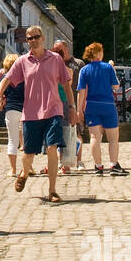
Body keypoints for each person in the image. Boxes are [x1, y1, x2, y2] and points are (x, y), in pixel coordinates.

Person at [0, 26, 74, 202]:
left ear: (43, 38)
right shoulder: (23, 61)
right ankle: (24, 173)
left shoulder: (55, 59)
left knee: (52, 148)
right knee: (28, 153)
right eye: (29, 38)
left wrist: (72, 106)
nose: (33, 40)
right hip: (31, 113)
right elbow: (7, 78)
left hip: (54, 110)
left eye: (36, 37)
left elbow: (67, 84)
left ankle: (52, 190)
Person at [76, 42, 129, 175]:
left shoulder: (85, 70)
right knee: (112, 138)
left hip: (92, 106)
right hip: (107, 105)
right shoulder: (108, 67)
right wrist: (113, 68)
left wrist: (79, 110)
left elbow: (81, 91)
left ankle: (98, 166)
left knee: (94, 137)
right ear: (99, 53)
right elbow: (115, 87)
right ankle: (114, 165)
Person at [52, 39, 79, 178]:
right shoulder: (64, 69)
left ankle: (63, 164)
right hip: (60, 102)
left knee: (62, 133)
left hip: (60, 103)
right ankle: (61, 163)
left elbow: (66, 85)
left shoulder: (63, 69)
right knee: (61, 133)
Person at [0, 53, 25, 177]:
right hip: (25, 110)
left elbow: (1, 95)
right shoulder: (25, 77)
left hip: (11, 110)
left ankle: (13, 170)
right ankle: (27, 168)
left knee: (12, 140)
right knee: (26, 141)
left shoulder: (5, 78)